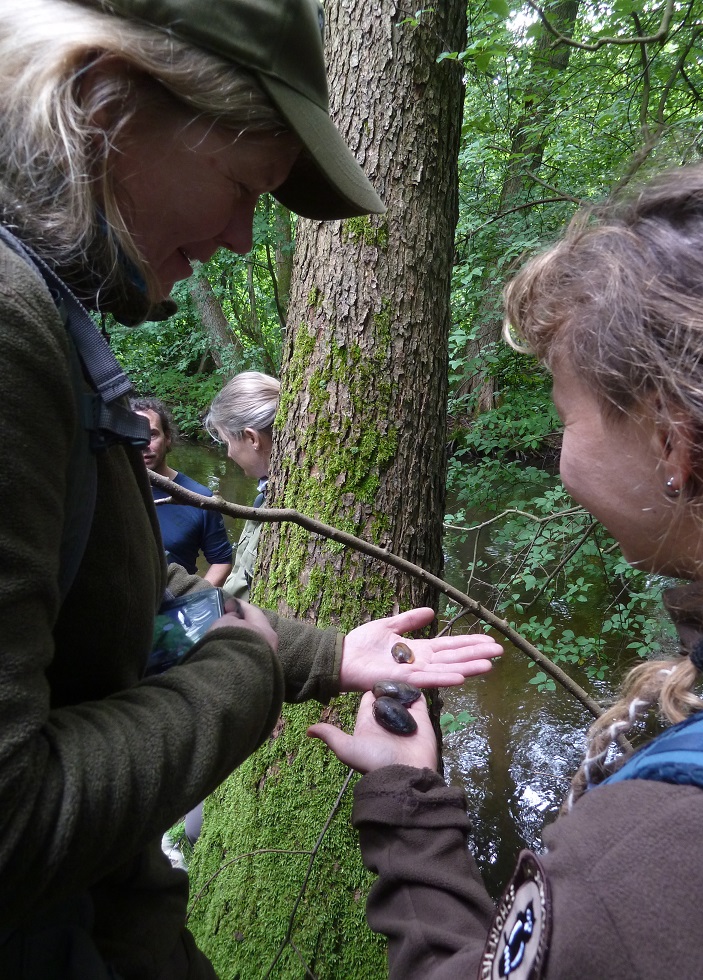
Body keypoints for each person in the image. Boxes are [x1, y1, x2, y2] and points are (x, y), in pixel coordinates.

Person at [0, 1, 503, 978]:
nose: (240, 236)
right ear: (103, 99)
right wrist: (248, 671)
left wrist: (322, 653)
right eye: (241, 185)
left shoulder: (44, 309)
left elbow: (103, 601)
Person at [309, 158, 703, 979]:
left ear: (670, 440)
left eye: (562, 410)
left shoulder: (650, 861)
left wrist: (404, 804)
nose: (561, 449)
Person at [132, 396, 233, 585]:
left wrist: (196, 598)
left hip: (175, 598)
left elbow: (221, 561)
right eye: (134, 435)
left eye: (152, 434)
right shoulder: (110, 494)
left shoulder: (199, 498)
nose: (144, 444)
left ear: (168, 438)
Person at [204, 371, 279, 600]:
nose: (228, 453)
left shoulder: (278, 507)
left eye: (227, 442)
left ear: (252, 438)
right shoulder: (264, 497)